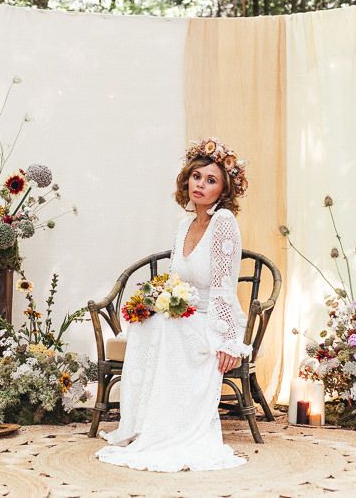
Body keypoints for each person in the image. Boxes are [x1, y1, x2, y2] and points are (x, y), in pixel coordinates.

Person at [96, 137, 251, 472]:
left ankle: (171, 428)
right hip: (187, 313)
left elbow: (225, 286)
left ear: (222, 191)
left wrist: (227, 340)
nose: (201, 185)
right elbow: (176, 281)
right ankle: (145, 422)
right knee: (147, 324)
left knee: (170, 326)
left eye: (211, 181)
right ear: (187, 179)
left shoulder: (223, 223)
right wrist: (155, 303)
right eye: (197, 177)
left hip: (212, 318)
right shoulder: (184, 225)